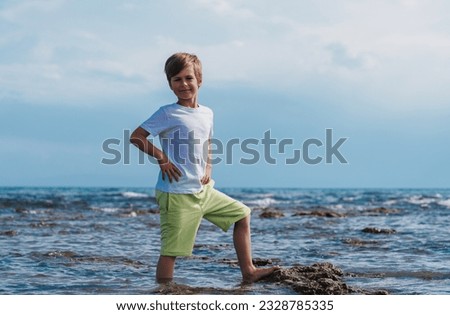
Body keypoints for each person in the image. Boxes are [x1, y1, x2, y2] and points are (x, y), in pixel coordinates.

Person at [130, 52, 278, 283]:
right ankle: (162, 295)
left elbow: (207, 142)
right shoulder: (167, 113)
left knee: (243, 214)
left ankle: (249, 272)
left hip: (204, 191)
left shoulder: (207, 112)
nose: (183, 84)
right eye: (176, 79)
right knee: (171, 252)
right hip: (177, 193)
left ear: (199, 79)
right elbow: (137, 137)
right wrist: (162, 158)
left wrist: (208, 168)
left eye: (188, 78)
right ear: (170, 84)